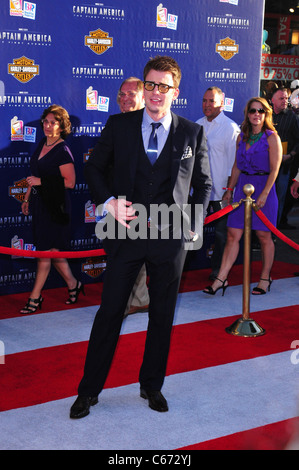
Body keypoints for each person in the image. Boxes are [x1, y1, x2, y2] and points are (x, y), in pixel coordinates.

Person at [70, 55, 212, 419]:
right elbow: (94, 168)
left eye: (164, 86)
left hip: (170, 238)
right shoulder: (119, 125)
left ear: (175, 92)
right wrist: (107, 202)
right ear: (143, 87)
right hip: (124, 233)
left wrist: (193, 220)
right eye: (150, 84)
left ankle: (152, 385)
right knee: (110, 312)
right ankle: (89, 390)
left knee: (162, 314)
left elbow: (203, 183)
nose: (155, 92)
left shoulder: (192, 133)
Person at [203, 97, 282, 297]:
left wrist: (264, 194)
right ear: (247, 113)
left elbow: (275, 170)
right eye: (253, 111)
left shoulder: (272, 137)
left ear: (266, 114)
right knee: (232, 235)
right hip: (241, 189)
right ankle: (221, 278)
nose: (256, 114)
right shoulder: (242, 137)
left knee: (264, 236)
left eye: (261, 111)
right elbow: (237, 166)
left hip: (264, 188)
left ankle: (265, 278)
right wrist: (229, 190)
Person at [20, 105, 84, 314]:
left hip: (55, 206)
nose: (48, 126)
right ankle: (74, 284)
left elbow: (70, 182)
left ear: (62, 125)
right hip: (40, 203)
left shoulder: (63, 149)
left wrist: (41, 182)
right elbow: (34, 176)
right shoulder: (42, 143)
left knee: (45, 254)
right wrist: (28, 197)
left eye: (53, 122)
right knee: (54, 253)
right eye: (46, 122)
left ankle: (35, 297)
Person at [196, 86, 240, 280]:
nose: (207, 104)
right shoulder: (197, 125)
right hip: (199, 191)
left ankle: (218, 273)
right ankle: (180, 271)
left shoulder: (231, 128)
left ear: (221, 103)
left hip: (222, 192)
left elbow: (235, 163)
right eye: (204, 100)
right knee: (192, 232)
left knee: (222, 236)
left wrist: (229, 189)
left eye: (211, 101)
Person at [117, 77, 149, 316]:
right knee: (126, 254)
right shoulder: (116, 124)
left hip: (144, 205)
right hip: (118, 203)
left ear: (143, 97)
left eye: (131, 94)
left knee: (133, 255)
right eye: (122, 94)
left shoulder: (152, 126)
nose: (125, 99)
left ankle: (136, 298)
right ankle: (139, 298)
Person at [271, 87, 299, 228]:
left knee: (279, 198)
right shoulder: (266, 115)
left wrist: (291, 155)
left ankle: (273, 230)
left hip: (284, 166)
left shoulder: (292, 117)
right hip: (265, 166)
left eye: (286, 98)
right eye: (281, 98)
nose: (285, 101)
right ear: (273, 100)